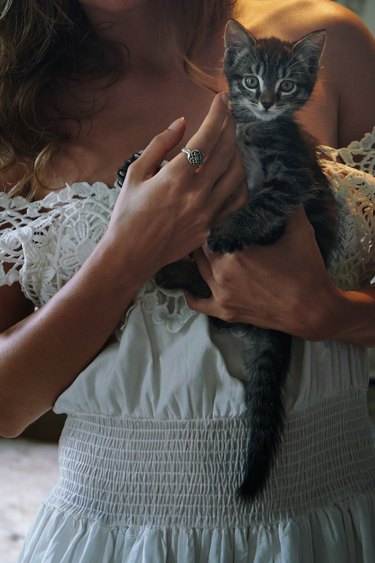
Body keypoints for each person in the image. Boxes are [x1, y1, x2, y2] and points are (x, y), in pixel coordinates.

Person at [0, 0, 374, 561]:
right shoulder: (15, 95)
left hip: (340, 526)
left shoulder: (329, 43)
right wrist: (126, 254)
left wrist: (336, 314)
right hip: (112, 539)